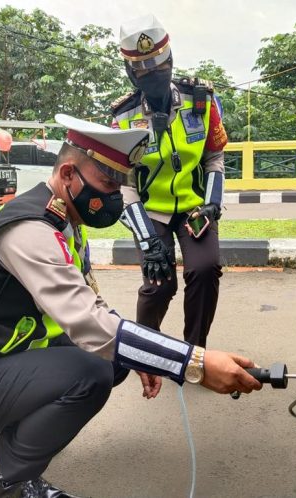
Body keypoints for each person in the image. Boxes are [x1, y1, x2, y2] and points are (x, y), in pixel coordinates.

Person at [0, 114, 261, 498]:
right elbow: (89, 324)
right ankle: (12, 481)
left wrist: (142, 357)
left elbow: (90, 304)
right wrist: (193, 363)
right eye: (107, 183)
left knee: (113, 361)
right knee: (91, 373)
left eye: (120, 185)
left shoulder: (62, 218)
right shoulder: (30, 230)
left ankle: (4, 433)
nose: (115, 196)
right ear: (68, 174)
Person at [111, 14, 229, 347]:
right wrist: (147, 241)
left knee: (205, 270)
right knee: (159, 282)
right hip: (151, 212)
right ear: (131, 73)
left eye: (159, 68)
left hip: (195, 206)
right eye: (143, 72)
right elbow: (125, 183)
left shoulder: (200, 101)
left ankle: (194, 350)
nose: (153, 77)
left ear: (171, 62)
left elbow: (214, 157)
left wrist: (212, 204)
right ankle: (146, 349)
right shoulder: (123, 117)